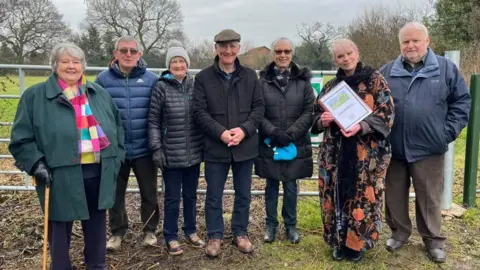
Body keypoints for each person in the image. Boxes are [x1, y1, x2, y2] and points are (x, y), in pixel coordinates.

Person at [9, 43, 124, 269]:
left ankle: (96, 265)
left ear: (83, 65)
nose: (71, 66)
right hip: (58, 172)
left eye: (76, 61)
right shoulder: (35, 96)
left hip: (98, 171)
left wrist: (116, 159)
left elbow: (118, 129)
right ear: (55, 65)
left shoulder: (99, 94)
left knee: (97, 225)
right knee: (59, 227)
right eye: (65, 61)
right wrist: (36, 164)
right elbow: (21, 139)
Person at [380, 22, 471, 263]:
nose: (410, 45)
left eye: (415, 40)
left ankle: (433, 241)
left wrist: (445, 133)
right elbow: (373, 104)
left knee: (430, 198)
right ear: (400, 45)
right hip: (395, 148)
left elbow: (461, 103)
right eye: (405, 42)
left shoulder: (445, 69)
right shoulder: (387, 71)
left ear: (427, 41)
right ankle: (399, 233)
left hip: (429, 148)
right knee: (394, 195)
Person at [311, 39, 394, 262]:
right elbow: (314, 117)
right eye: (340, 56)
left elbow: (387, 115)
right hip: (335, 154)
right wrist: (323, 120)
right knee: (336, 196)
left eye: (349, 53)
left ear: (357, 53)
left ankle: (357, 245)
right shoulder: (331, 87)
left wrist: (362, 126)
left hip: (365, 155)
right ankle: (338, 242)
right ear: (335, 60)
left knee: (361, 198)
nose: (346, 58)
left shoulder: (375, 81)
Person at [193, 29, 264, 257]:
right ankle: (214, 235)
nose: (228, 50)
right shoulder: (203, 78)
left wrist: (244, 130)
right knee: (214, 194)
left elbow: (259, 108)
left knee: (243, 193)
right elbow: (199, 112)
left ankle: (240, 233)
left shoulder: (251, 76)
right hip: (216, 146)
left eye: (232, 46)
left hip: (245, 146)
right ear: (215, 48)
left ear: (238, 48)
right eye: (223, 46)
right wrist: (220, 133)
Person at [95, 36, 160, 250]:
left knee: (149, 192)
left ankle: (150, 230)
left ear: (140, 54)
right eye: (123, 50)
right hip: (116, 149)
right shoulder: (103, 80)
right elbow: (95, 113)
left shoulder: (151, 79)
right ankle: (117, 232)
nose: (128, 54)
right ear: (115, 54)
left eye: (133, 51)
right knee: (115, 194)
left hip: (144, 147)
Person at [255, 37, 314, 244]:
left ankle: (291, 226)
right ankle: (270, 225)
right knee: (271, 184)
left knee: (290, 185)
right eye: (278, 51)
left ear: (292, 53)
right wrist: (273, 132)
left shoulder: (303, 82)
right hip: (270, 142)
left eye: (286, 51)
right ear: (273, 53)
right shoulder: (262, 82)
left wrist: (291, 133)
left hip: (294, 142)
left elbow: (309, 111)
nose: (282, 55)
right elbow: (257, 112)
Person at [148, 41, 205, 256]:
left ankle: (190, 230)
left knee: (191, 195)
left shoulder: (196, 85)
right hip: (171, 153)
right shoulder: (161, 87)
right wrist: (156, 148)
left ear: (187, 64)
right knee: (172, 197)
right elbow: (153, 120)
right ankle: (170, 236)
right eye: (174, 61)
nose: (179, 65)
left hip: (193, 152)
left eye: (182, 61)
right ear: (168, 65)